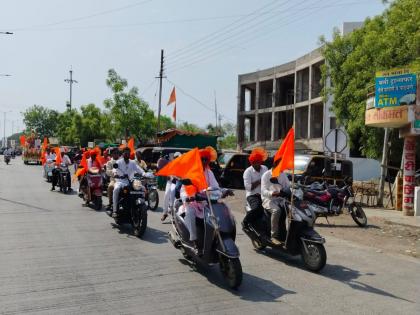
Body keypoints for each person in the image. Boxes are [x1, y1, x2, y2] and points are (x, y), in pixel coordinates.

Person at [182, 147, 219, 251]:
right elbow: (185, 189)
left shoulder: (209, 173)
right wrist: (189, 197)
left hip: (207, 202)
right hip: (193, 202)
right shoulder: (191, 172)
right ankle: (194, 241)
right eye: (201, 159)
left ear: (208, 160)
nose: (203, 161)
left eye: (206, 159)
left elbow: (215, 186)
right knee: (190, 213)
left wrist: (222, 191)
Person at [261, 158, 291, 245]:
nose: (282, 168)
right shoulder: (266, 175)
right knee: (277, 210)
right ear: (275, 165)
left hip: (281, 199)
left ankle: (288, 234)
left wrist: (294, 187)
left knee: (293, 210)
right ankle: (273, 236)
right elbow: (263, 191)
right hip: (269, 199)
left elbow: (288, 186)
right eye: (280, 166)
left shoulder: (283, 175)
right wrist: (272, 193)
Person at [110, 147, 146, 218]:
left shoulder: (132, 162)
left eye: (128, 153)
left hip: (131, 181)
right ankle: (115, 210)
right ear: (122, 154)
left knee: (142, 188)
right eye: (125, 153)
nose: (127, 154)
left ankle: (142, 205)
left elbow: (139, 170)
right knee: (116, 189)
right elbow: (114, 169)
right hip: (120, 181)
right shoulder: (119, 162)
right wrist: (115, 174)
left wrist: (145, 174)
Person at [242, 148, 268, 231]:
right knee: (257, 208)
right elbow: (248, 188)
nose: (256, 164)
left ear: (261, 161)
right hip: (253, 195)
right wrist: (260, 181)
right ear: (251, 162)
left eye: (258, 161)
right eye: (254, 162)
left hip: (265, 194)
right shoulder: (247, 172)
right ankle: (245, 222)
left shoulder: (265, 168)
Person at [161, 152, 182, 222]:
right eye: (176, 157)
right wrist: (170, 177)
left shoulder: (182, 165)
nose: (177, 159)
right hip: (170, 182)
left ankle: (173, 216)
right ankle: (165, 213)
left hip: (177, 183)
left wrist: (178, 178)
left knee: (173, 195)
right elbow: (167, 175)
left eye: (178, 157)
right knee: (166, 194)